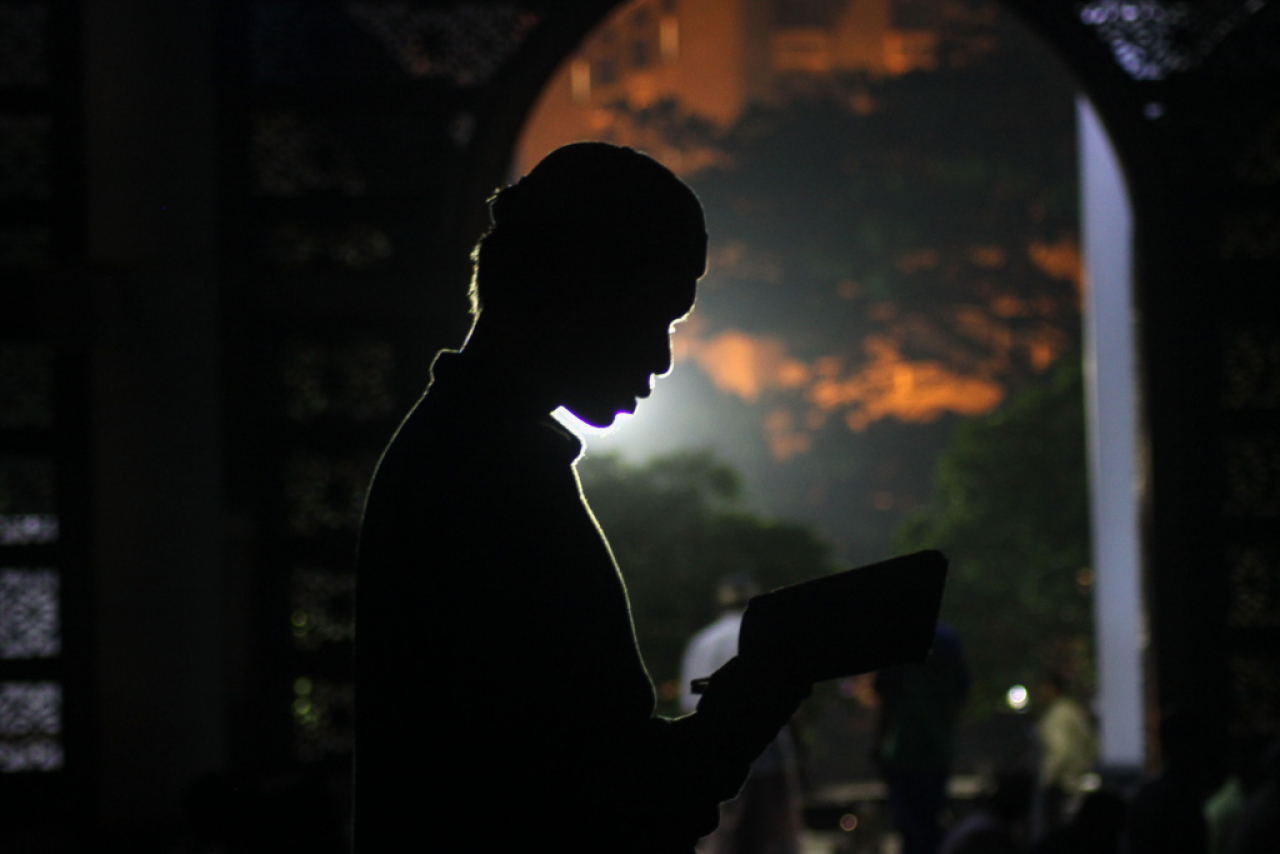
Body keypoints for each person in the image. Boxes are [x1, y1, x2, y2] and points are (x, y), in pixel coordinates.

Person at [353, 143, 811, 854]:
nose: (660, 359)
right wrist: (761, 695)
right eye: (655, 317)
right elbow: (592, 796)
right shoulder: (490, 480)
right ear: (578, 288)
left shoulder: (462, 457)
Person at [680, 575, 804, 854]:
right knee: (775, 835)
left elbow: (689, 706)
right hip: (769, 747)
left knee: (725, 834)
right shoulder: (768, 635)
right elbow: (792, 703)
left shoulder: (702, 642)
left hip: (716, 747)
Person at [873, 623, 970, 854]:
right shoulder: (948, 642)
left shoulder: (899, 642)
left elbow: (887, 700)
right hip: (937, 751)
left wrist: (879, 745)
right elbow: (961, 691)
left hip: (905, 752)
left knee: (911, 827)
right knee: (931, 823)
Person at [1033, 671, 1096, 837]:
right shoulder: (1073, 711)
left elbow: (1060, 751)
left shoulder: (1056, 716)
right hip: (1076, 783)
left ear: (1050, 689)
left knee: (1054, 835)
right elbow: (1090, 745)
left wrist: (1045, 780)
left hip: (1059, 786)